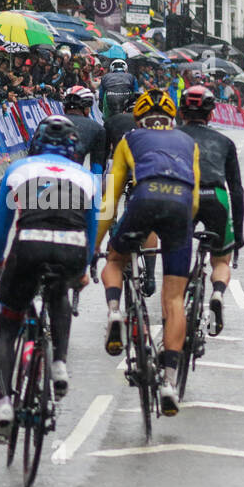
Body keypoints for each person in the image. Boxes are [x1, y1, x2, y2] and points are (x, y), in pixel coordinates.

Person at [0, 116, 97, 442]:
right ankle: (59, 362)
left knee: (7, 327)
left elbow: (2, 227)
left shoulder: (18, 170)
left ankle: (5, 402)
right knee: (58, 292)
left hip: (29, 246)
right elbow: (90, 230)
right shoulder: (87, 177)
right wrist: (84, 268)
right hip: (72, 250)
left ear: (35, 143)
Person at [96, 89, 199, 415]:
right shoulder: (188, 142)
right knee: (173, 301)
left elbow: (111, 199)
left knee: (115, 260)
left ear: (139, 119)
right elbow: (195, 199)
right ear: (172, 119)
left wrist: (95, 244)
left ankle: (115, 311)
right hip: (180, 207)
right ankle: (169, 380)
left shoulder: (130, 139)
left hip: (144, 199)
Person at [178, 85, 244, 333]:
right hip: (216, 196)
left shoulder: (173, 136)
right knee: (220, 260)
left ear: (182, 112)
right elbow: (237, 190)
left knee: (179, 251)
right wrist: (237, 235)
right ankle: (217, 294)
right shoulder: (224, 142)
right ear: (211, 114)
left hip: (184, 194)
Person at [62, 85, 106, 177]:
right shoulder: (98, 128)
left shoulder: (46, 122)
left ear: (64, 108)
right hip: (73, 180)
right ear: (86, 109)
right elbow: (97, 168)